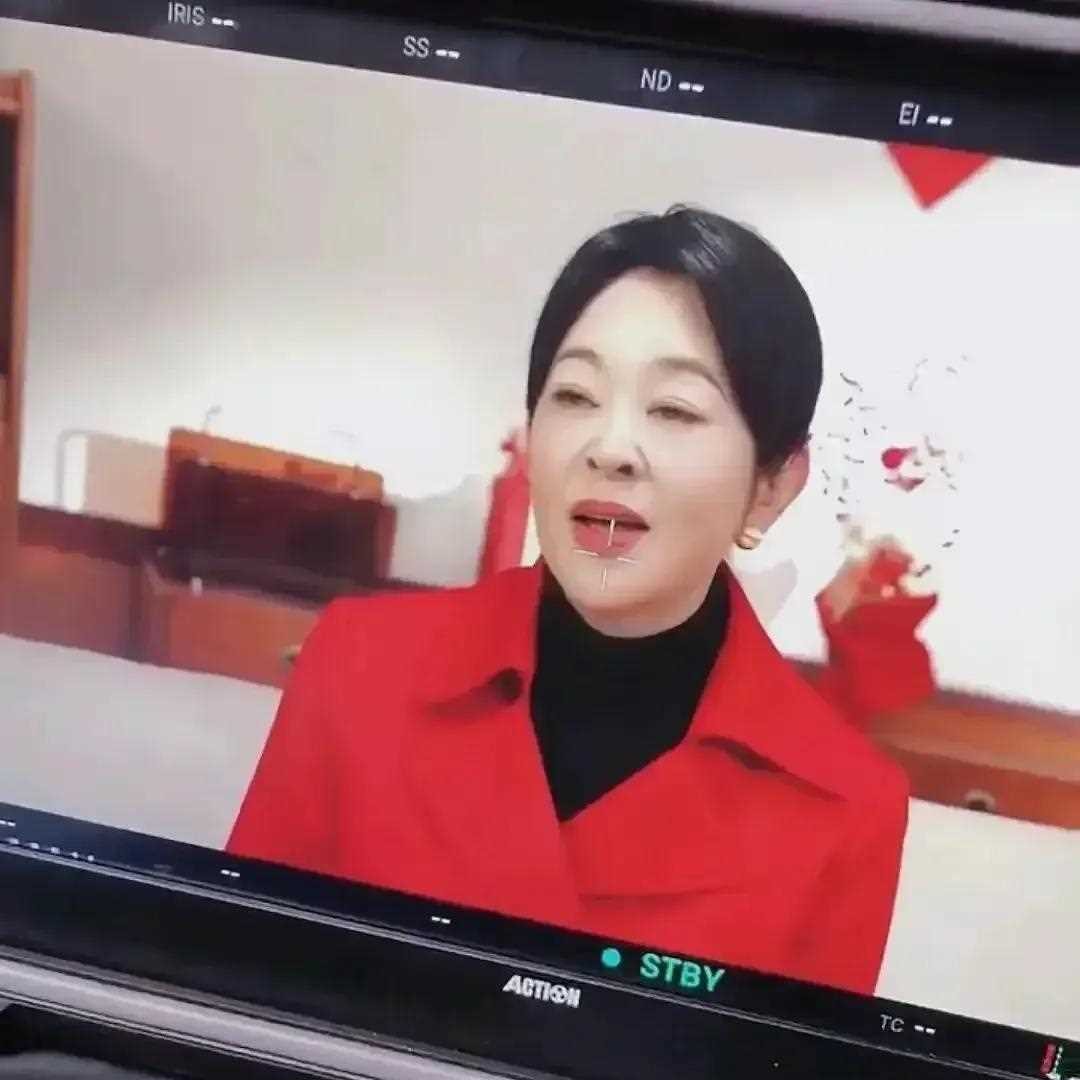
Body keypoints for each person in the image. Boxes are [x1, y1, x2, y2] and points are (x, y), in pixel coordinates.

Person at [228, 207, 935, 996]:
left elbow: (787, 1079)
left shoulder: (849, 804)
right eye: (574, 395)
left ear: (771, 487)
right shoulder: (359, 664)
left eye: (674, 409)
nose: (609, 447)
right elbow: (234, 984)